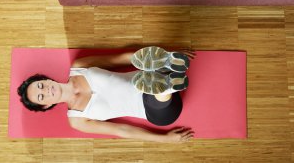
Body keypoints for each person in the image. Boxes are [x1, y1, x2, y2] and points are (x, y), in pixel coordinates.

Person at [17, 46, 195, 143]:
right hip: (152, 110)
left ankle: (167, 64)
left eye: (41, 85)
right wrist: (165, 139)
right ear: (47, 105)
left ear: (46, 80)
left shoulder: (79, 66)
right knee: (157, 98)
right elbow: (121, 130)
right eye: (41, 97)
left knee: (150, 74)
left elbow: (118, 60)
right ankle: (166, 87)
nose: (45, 91)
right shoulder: (77, 120)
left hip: (143, 76)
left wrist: (166, 52)